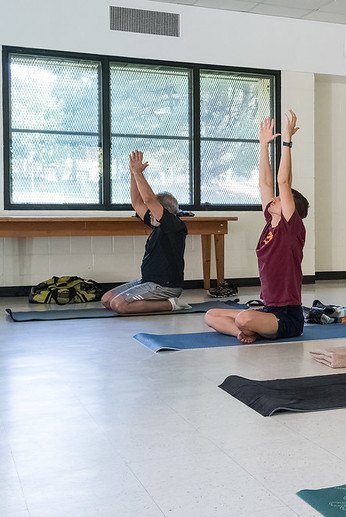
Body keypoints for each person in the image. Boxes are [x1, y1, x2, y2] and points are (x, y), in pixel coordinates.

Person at [204, 111, 309, 343]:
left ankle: (247, 327)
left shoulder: (290, 229)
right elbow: (264, 182)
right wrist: (262, 146)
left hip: (287, 318)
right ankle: (242, 333)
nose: (275, 198)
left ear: (292, 209)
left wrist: (287, 142)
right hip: (267, 310)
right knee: (211, 315)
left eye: (281, 198)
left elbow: (283, 181)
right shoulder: (270, 225)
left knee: (244, 317)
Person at [101, 150, 188, 314]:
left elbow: (148, 200)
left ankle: (171, 304)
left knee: (119, 305)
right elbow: (136, 202)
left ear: (164, 211)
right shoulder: (156, 223)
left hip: (166, 286)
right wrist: (133, 174)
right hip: (148, 281)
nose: (147, 213)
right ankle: (163, 301)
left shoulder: (174, 226)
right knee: (107, 299)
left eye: (151, 210)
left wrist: (138, 173)